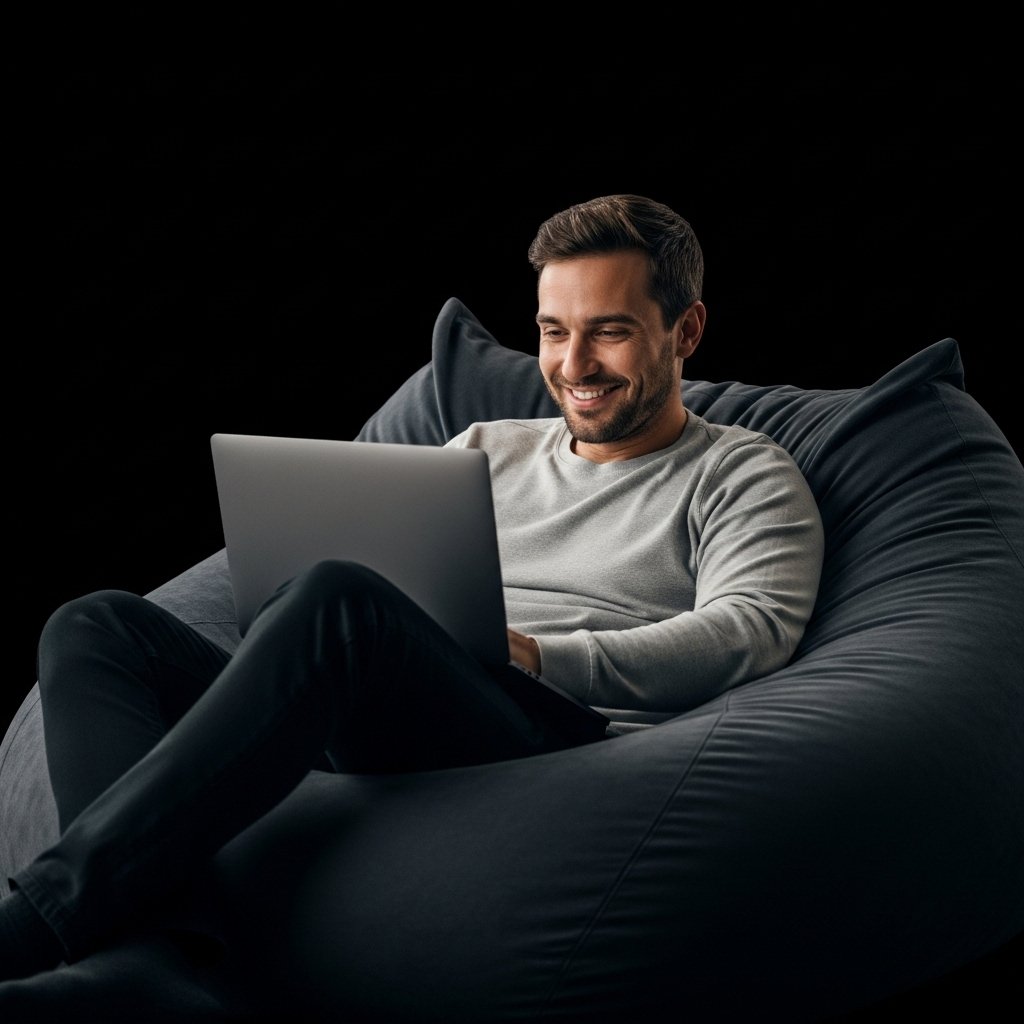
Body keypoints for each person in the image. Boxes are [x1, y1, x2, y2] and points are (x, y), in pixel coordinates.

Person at [0, 195, 825, 1008]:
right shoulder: (485, 448)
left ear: (685, 331)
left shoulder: (741, 472)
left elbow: (750, 631)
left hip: (549, 730)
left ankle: (45, 915)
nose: (573, 366)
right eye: (552, 331)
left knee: (339, 598)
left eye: (608, 330)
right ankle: (155, 956)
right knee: (96, 623)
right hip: (400, 691)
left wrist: (538, 655)